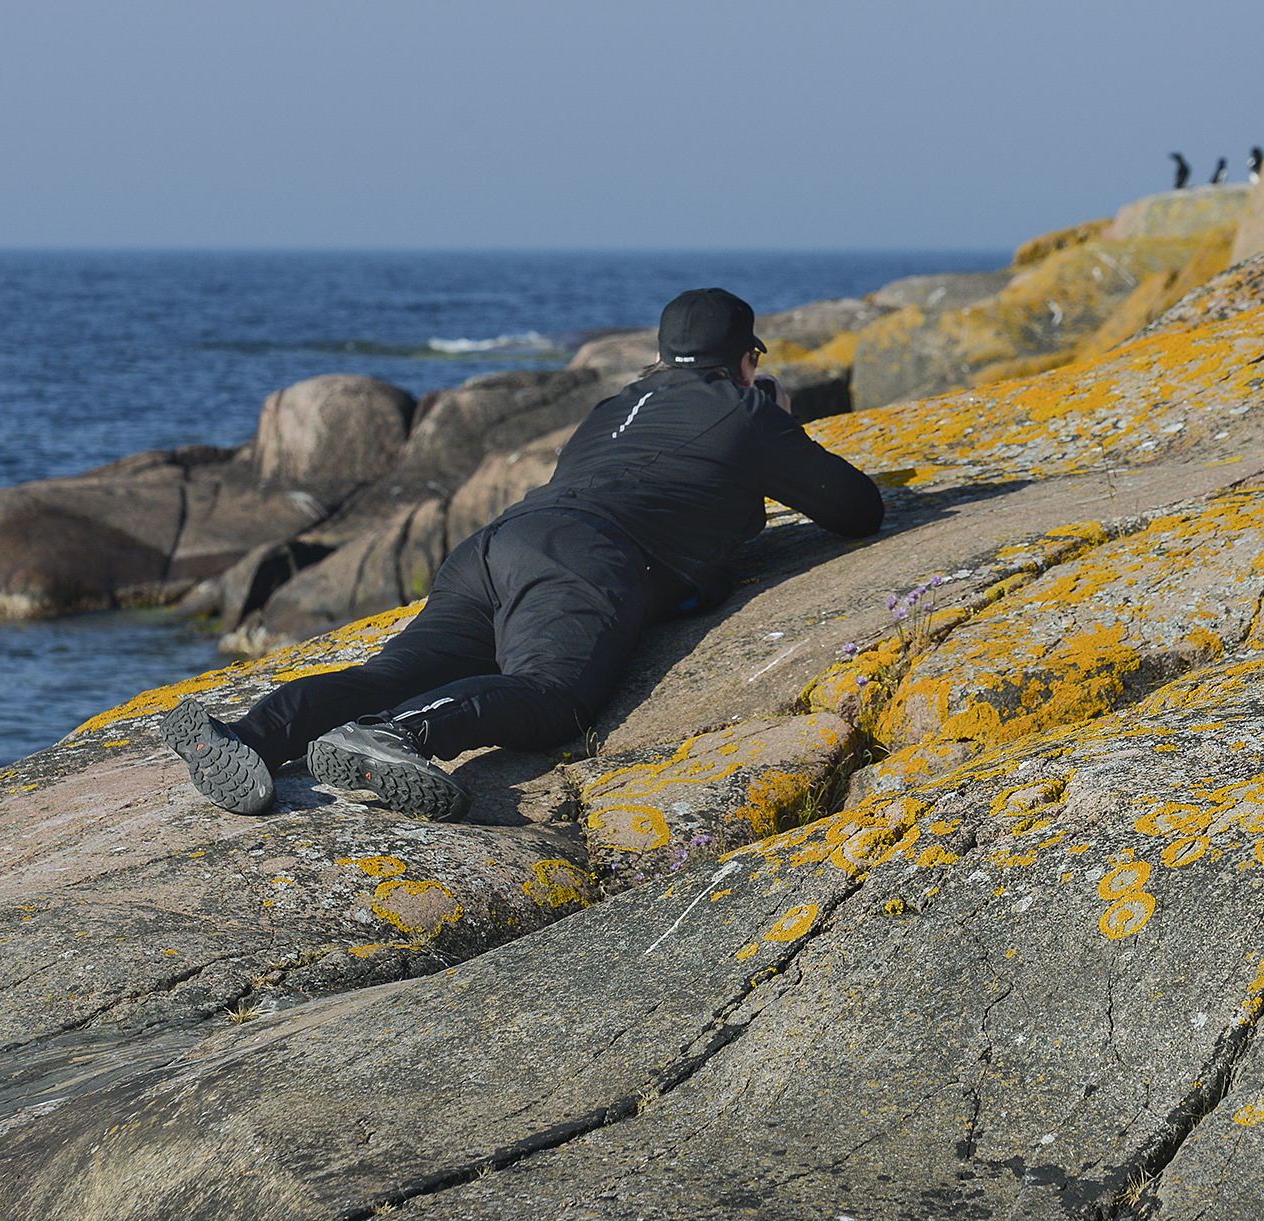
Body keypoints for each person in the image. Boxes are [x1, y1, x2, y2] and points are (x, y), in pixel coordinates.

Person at [164, 287, 887, 821]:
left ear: (661, 357)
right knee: (553, 695)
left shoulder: (614, 408)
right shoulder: (747, 409)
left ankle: (250, 736)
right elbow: (856, 510)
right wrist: (778, 425)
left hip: (493, 545)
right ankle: (396, 736)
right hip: (585, 558)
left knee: (390, 669)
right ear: (745, 360)